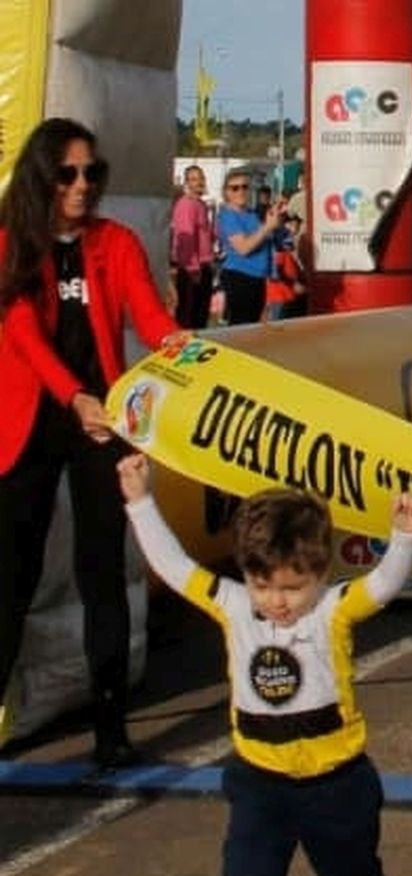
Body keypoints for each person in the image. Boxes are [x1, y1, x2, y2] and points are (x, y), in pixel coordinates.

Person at [118, 454, 412, 876]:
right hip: (258, 784)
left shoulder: (333, 609)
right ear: (246, 574)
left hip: (336, 786)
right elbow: (174, 567)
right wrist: (140, 501)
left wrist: (405, 538)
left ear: (321, 573)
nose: (277, 601)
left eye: (293, 588)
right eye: (262, 586)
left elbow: (383, 585)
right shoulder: (231, 603)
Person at [0, 117, 185, 766]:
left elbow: (149, 315)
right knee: (12, 572)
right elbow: (24, 336)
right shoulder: (12, 243)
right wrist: (71, 397)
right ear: (42, 179)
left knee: (101, 567)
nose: (83, 186)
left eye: (92, 173)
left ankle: (112, 727)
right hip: (30, 420)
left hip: (103, 419)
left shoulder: (117, 242)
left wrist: (174, 341)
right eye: (69, 174)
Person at [217, 169, 285, 325]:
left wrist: (275, 220)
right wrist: (267, 227)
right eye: (235, 188)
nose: (240, 191)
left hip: (257, 278)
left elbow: (265, 239)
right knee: (241, 327)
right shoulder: (228, 216)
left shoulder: (251, 214)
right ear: (226, 192)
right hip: (240, 277)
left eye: (244, 187)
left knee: (251, 326)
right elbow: (243, 248)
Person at [169, 163, 214, 329]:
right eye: (194, 179)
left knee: (201, 317)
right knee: (189, 319)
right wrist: (193, 269)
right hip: (193, 271)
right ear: (187, 183)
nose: (199, 182)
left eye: (201, 178)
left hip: (205, 267)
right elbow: (186, 241)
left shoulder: (201, 204)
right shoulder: (186, 205)